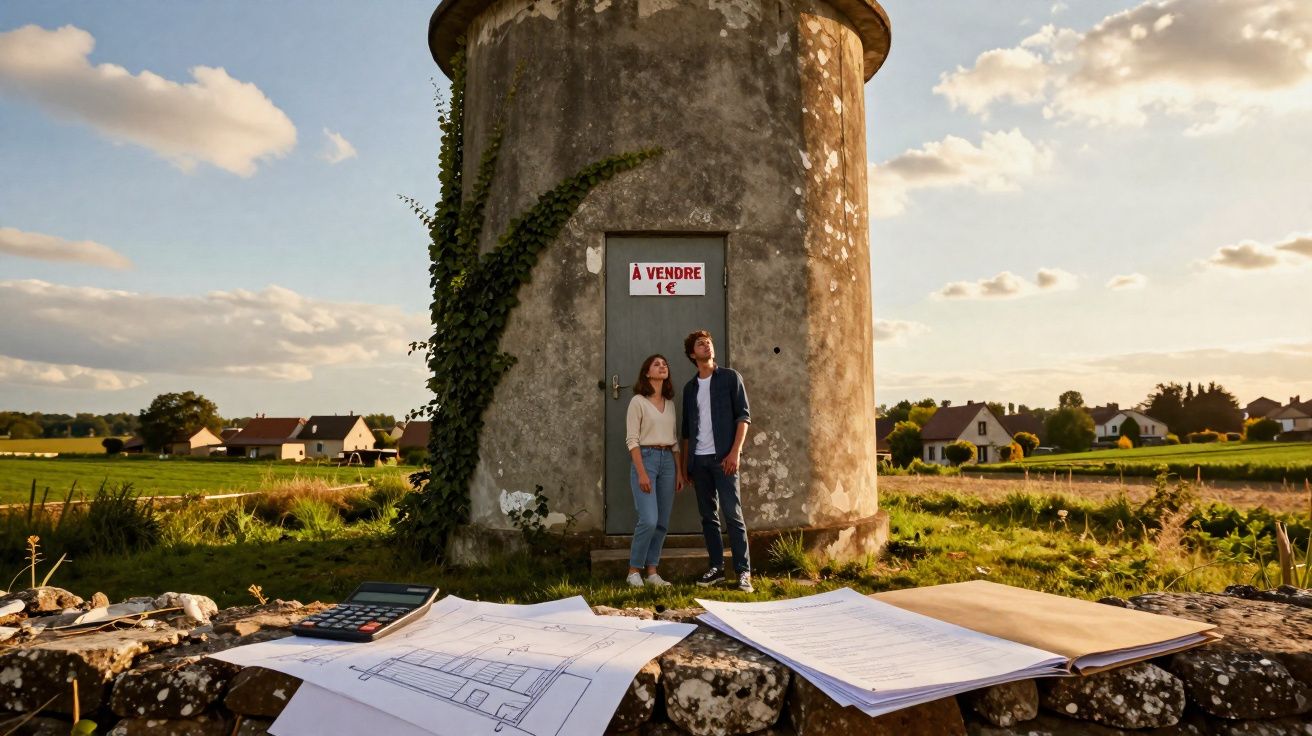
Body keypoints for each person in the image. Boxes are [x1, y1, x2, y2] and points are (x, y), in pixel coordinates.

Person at [679, 330, 753, 592]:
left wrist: (735, 452)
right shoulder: (690, 389)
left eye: (708, 342)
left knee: (733, 514)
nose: (706, 346)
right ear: (692, 354)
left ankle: (743, 572)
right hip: (699, 462)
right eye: (700, 344)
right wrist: (686, 467)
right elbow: (687, 431)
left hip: (725, 459)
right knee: (708, 517)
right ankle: (716, 568)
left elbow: (743, 417)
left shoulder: (731, 378)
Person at [624, 354, 684, 588]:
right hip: (646, 459)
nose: (662, 366)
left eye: (665, 364)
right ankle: (633, 571)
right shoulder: (637, 402)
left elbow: (675, 441)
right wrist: (641, 472)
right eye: (656, 364)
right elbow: (632, 440)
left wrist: (679, 471)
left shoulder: (669, 404)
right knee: (648, 519)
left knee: (662, 522)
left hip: (668, 460)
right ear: (647, 373)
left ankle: (652, 572)